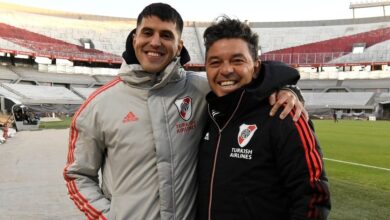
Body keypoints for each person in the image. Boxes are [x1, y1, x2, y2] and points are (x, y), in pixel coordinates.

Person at [63, 3, 306, 220]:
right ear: (134, 38)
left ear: (179, 46)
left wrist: (287, 87)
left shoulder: (201, 89)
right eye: (147, 33)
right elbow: (78, 175)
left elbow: (249, 78)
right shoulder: (98, 105)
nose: (155, 42)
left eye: (166, 35)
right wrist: (108, 216)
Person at [197, 17, 331, 220]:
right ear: (206, 68)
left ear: (256, 66)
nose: (226, 70)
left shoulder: (283, 114)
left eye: (237, 60)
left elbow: (313, 198)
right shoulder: (207, 113)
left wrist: (289, 88)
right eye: (215, 62)